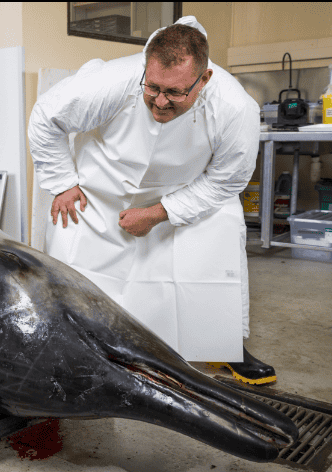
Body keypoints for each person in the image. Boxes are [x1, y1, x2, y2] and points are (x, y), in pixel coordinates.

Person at [28, 17, 275, 385]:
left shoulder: (236, 108)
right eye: (153, 87)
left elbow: (227, 179)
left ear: (204, 79)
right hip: (103, 195)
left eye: (174, 93)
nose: (160, 102)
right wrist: (63, 183)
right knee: (75, 261)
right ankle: (76, 347)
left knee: (219, 232)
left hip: (188, 196)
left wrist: (161, 213)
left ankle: (222, 345)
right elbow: (47, 117)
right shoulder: (113, 80)